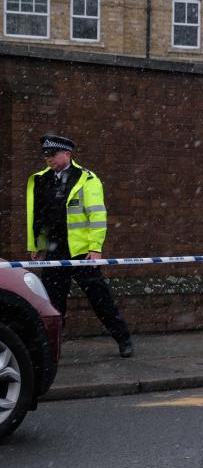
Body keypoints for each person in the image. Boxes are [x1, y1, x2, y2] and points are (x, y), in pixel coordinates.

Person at [26, 133, 134, 358]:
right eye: (46, 155)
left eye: (53, 154)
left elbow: (97, 215)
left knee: (100, 299)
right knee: (53, 303)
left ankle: (123, 339)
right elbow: (39, 216)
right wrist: (36, 245)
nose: (48, 159)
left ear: (67, 154)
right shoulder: (41, 179)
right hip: (55, 251)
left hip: (82, 252)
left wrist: (95, 248)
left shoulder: (86, 178)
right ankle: (52, 349)